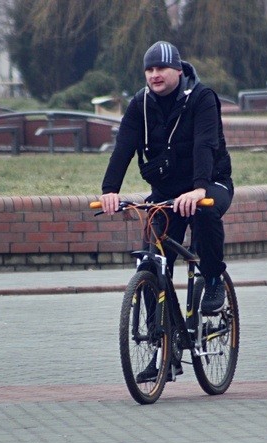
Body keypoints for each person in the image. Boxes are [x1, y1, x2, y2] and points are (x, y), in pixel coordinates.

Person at [99, 41, 234, 381]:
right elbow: (123, 148)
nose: (155, 75)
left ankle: (214, 278)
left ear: (178, 70)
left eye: (161, 68)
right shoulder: (140, 104)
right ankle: (163, 349)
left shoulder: (202, 98)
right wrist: (109, 191)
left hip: (211, 183)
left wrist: (200, 187)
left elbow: (206, 143)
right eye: (149, 69)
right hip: (166, 193)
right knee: (150, 263)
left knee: (204, 213)